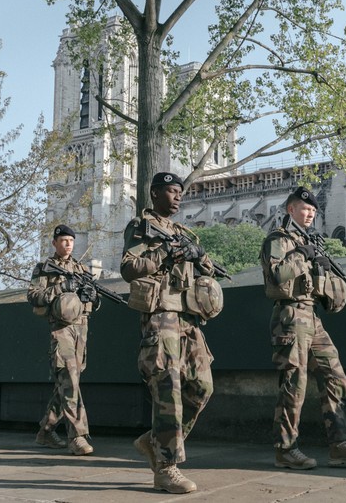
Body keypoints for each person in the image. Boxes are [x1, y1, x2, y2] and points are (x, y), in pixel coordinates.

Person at [120, 172, 221, 494]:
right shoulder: (140, 227)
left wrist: (198, 256)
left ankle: (154, 441)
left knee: (202, 387)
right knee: (169, 390)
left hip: (189, 319)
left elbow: (205, 267)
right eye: (171, 191)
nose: (177, 197)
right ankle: (166, 467)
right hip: (160, 315)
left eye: (180, 192)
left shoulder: (183, 232)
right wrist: (165, 254)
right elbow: (128, 268)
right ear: (155, 193)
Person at [259, 187, 346, 469]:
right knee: (293, 384)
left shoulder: (309, 241)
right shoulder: (279, 239)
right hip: (289, 315)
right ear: (290, 210)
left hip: (312, 316)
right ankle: (285, 449)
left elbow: (325, 293)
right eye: (304, 209)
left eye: (312, 211)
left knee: (335, 375)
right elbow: (277, 275)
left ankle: (339, 444)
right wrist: (303, 255)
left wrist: (322, 268)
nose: (309, 214)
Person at [26, 224, 96, 456]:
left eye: (71, 241)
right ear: (55, 243)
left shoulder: (81, 268)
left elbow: (91, 304)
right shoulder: (45, 268)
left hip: (81, 329)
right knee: (70, 381)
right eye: (63, 240)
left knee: (66, 383)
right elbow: (34, 296)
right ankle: (77, 436)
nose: (68, 244)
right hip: (61, 329)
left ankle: (46, 431)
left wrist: (92, 297)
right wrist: (61, 287)